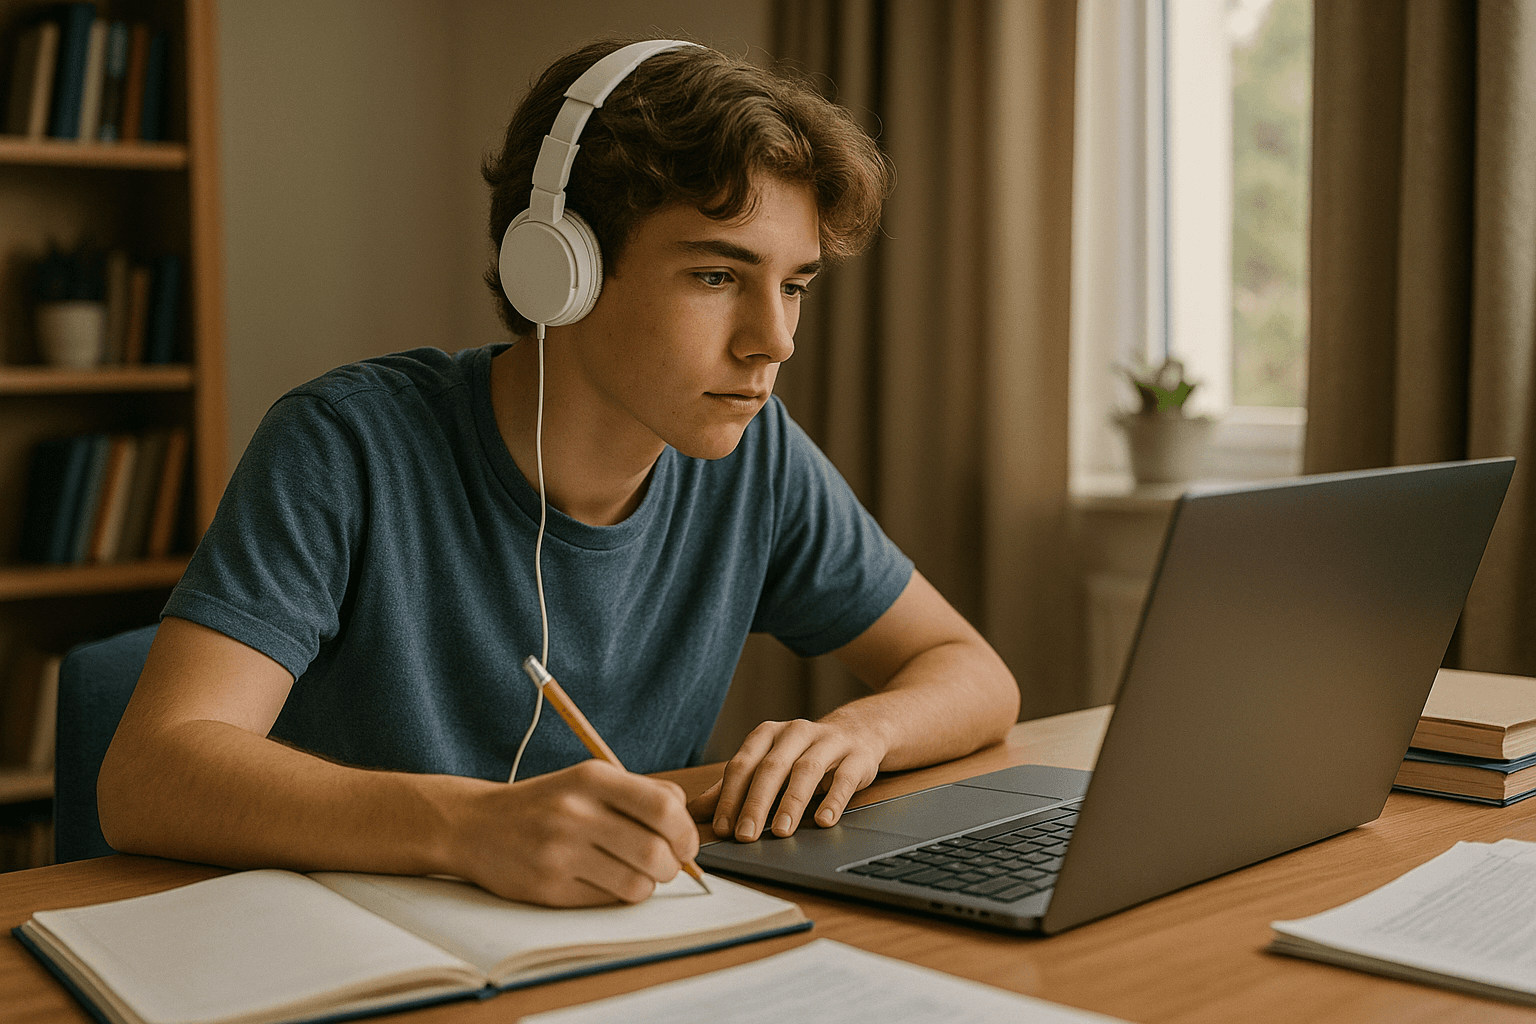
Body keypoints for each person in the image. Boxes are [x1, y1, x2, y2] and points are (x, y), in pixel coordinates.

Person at [98, 38, 1019, 908]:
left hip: (612, 929)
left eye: (795, 286)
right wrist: (469, 827)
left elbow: (973, 673)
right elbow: (150, 775)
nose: (773, 340)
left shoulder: (758, 456)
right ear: (558, 267)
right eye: (716, 277)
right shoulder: (347, 443)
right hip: (349, 941)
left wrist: (859, 732)